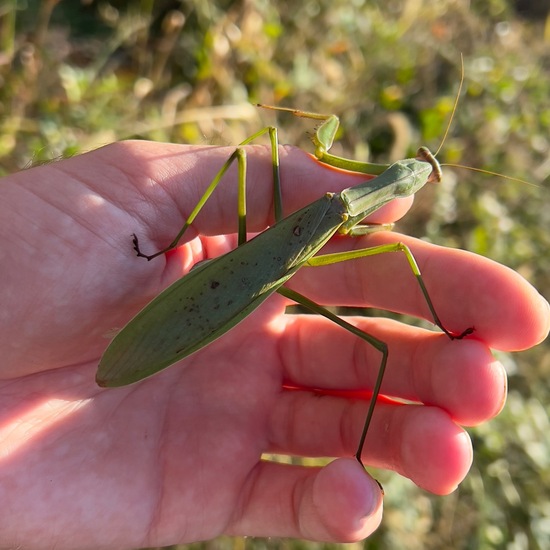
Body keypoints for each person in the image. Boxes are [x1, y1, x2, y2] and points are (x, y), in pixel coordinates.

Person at [0, 140, 547, 549]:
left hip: (230, 280)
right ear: (403, 185)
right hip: (238, 286)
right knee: (383, 327)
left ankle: (157, 263)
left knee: (245, 158)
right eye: (419, 175)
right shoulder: (347, 212)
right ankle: (358, 450)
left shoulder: (338, 198)